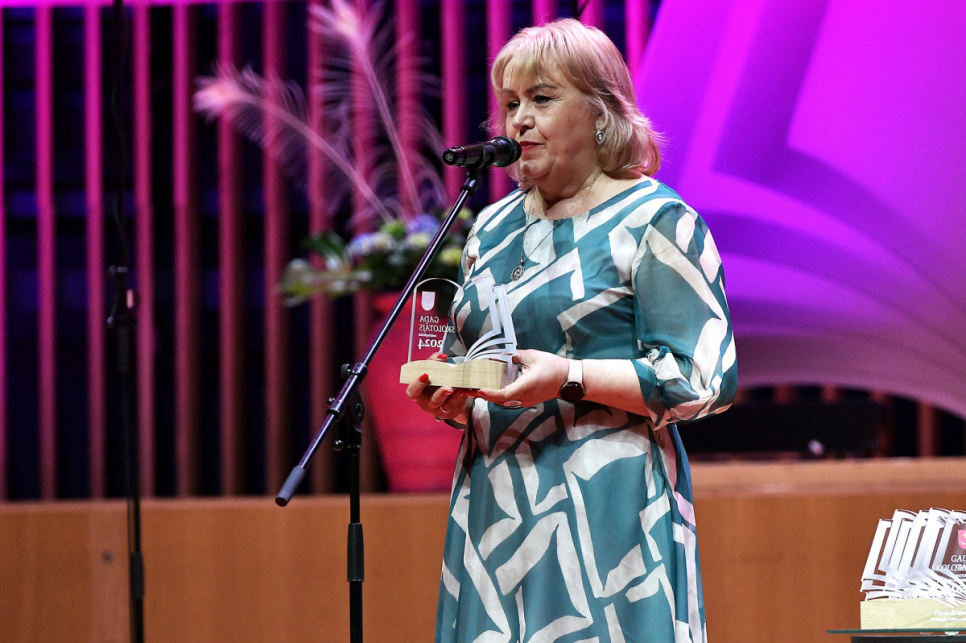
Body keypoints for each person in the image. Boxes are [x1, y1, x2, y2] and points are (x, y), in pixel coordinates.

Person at [406, 18, 736, 643]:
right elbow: (472, 355)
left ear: (601, 114)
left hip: (607, 501)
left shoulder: (655, 219)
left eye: (542, 99)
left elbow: (702, 380)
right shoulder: (491, 227)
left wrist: (570, 376)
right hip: (498, 499)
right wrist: (451, 396)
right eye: (510, 104)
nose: (520, 121)